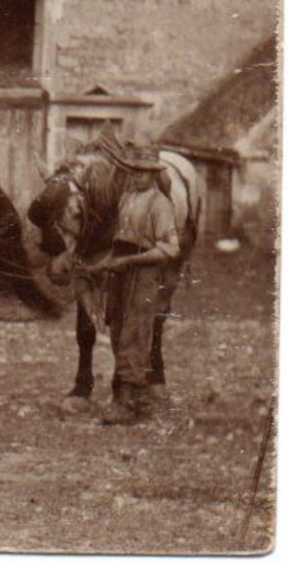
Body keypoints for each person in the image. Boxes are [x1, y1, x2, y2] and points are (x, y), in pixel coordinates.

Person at [86, 145, 182, 426]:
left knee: (135, 331)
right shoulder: (127, 198)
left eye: (144, 172)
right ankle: (125, 397)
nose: (138, 176)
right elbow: (120, 240)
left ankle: (129, 403)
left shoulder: (160, 204)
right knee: (116, 329)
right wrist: (101, 264)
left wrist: (131, 261)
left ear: (153, 174)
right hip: (121, 272)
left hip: (144, 274)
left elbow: (170, 248)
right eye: (135, 171)